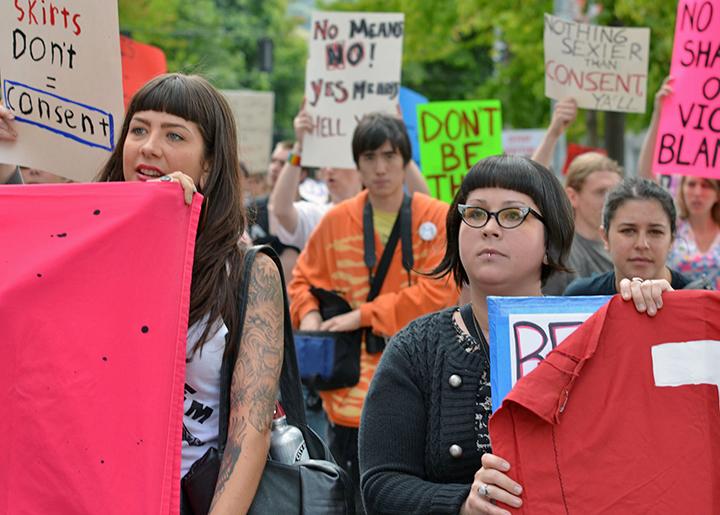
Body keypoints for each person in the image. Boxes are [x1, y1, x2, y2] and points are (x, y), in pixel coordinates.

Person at [359, 155, 672, 515]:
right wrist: (462, 504)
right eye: (475, 213)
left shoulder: (597, 335)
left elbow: (663, 453)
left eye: (512, 215)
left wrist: (659, 328)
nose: (490, 228)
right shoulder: (415, 350)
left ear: (550, 238)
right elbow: (381, 486)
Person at [95, 73, 284, 513]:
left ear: (209, 164)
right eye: (138, 129)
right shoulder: (93, 246)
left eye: (174, 134)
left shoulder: (247, 272)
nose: (149, 146)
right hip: (92, 491)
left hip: (192, 496)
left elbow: (250, 430)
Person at [289, 112, 458, 511]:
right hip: (350, 392)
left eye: (389, 156)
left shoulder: (435, 217)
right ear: (357, 163)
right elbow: (301, 281)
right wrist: (310, 316)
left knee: (410, 497)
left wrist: (360, 316)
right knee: (352, 498)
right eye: (369, 158)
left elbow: (441, 291)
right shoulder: (335, 220)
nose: (380, 169)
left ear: (405, 160)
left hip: (421, 381)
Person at [638, 76, 720, 289]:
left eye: (706, 186)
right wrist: (658, 114)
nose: (697, 192)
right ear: (681, 189)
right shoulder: (671, 225)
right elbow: (645, 176)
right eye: (691, 185)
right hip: (679, 314)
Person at [564, 177, 693, 296]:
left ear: (672, 239)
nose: (642, 244)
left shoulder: (697, 299)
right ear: (605, 237)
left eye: (655, 232)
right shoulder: (580, 297)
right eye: (628, 231)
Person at [542, 152, 623, 294]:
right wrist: (553, 135)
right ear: (572, 196)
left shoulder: (628, 247)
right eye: (601, 192)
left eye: (616, 193)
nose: (611, 200)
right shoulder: (558, 250)